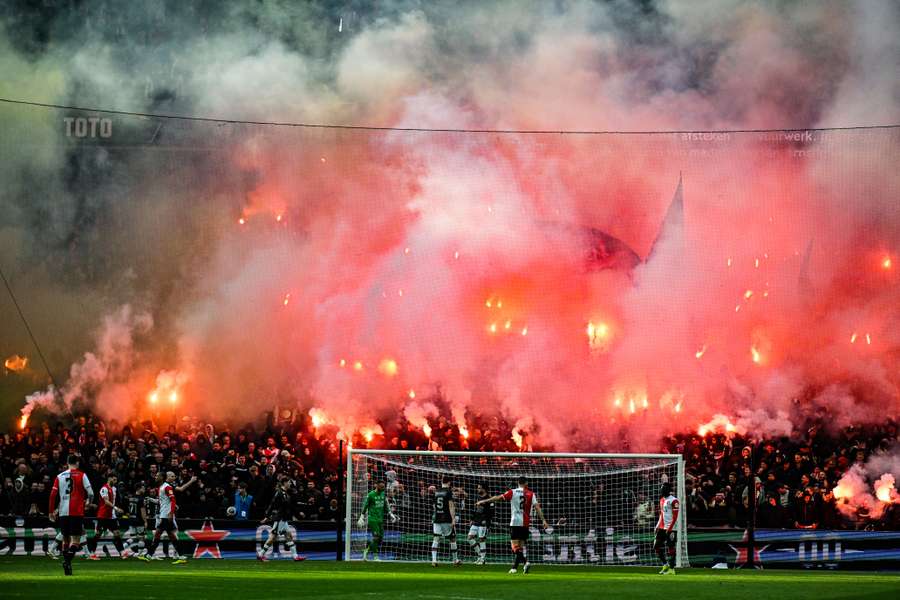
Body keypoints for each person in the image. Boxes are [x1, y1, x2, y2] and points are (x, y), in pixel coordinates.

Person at [477, 475, 548, 574]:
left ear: (518, 483)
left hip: (515, 522)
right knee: (520, 547)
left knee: (514, 547)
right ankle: (514, 568)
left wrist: (484, 501)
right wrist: (543, 520)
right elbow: (537, 508)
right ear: (526, 483)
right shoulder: (531, 494)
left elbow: (497, 498)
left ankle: (526, 562)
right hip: (526, 523)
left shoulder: (512, 492)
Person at [49, 454, 94, 576]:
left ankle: (66, 563)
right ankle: (67, 561)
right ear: (77, 463)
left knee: (65, 538)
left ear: (67, 463)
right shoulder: (82, 475)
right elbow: (90, 492)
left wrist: (50, 511)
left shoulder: (59, 476)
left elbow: (53, 495)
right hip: (77, 511)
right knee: (76, 540)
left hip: (63, 511)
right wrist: (89, 502)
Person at [139, 471, 197, 564]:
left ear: (162, 477)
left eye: (157, 476)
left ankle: (148, 555)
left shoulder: (167, 487)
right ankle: (181, 556)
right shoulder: (161, 488)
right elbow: (163, 501)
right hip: (163, 515)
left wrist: (171, 513)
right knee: (171, 536)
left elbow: (173, 499)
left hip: (166, 515)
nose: (156, 477)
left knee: (158, 534)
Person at [258, 476, 305, 562]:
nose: (290, 484)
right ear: (284, 483)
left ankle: (295, 556)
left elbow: (288, 507)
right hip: (280, 519)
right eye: (289, 482)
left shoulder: (286, 493)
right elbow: (272, 505)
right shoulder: (279, 493)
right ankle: (261, 554)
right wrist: (266, 517)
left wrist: (295, 514)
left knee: (289, 536)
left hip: (284, 519)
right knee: (272, 537)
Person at [89, 473, 128, 559]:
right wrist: (116, 508)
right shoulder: (104, 488)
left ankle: (122, 552)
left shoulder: (114, 489)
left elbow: (113, 501)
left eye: (116, 480)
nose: (115, 481)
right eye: (114, 480)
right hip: (103, 515)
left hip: (111, 516)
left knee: (117, 533)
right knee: (98, 534)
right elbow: (106, 502)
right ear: (109, 478)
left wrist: (115, 510)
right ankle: (91, 553)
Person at [357, 479, 396, 561]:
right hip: (373, 519)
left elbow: (386, 504)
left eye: (383, 487)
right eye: (381, 487)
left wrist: (390, 513)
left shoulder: (383, 494)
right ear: (376, 485)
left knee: (380, 538)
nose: (383, 488)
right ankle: (375, 556)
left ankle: (366, 550)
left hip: (380, 519)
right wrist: (362, 516)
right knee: (376, 537)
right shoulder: (371, 494)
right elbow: (365, 505)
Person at [430, 475, 460, 566]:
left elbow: (434, 506)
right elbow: (451, 506)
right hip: (446, 518)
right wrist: (453, 519)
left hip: (437, 518)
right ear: (449, 482)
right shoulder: (449, 492)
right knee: (452, 538)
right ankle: (455, 560)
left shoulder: (436, 492)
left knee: (436, 538)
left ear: (441, 481)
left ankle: (434, 560)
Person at [654, 481, 680, 575]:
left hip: (671, 528)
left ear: (668, 490)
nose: (662, 489)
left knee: (671, 547)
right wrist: (657, 525)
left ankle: (672, 569)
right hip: (662, 527)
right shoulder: (661, 500)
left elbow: (675, 517)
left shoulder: (674, 500)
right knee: (656, 546)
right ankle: (665, 564)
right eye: (661, 487)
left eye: (663, 488)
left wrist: (670, 528)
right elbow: (661, 514)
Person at [467, 483, 494, 565]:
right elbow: (476, 509)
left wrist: (487, 521)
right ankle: (479, 555)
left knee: (481, 539)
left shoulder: (489, 498)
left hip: (483, 522)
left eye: (479, 488)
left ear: (484, 489)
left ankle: (482, 559)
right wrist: (472, 519)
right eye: (477, 488)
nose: (477, 489)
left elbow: (492, 512)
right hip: (476, 521)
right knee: (469, 538)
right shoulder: (478, 497)